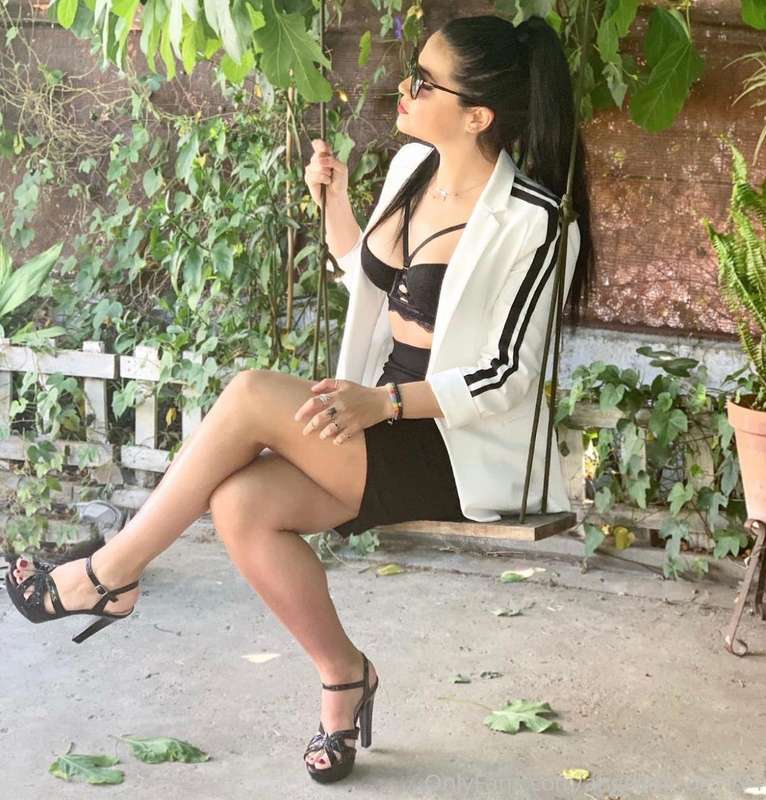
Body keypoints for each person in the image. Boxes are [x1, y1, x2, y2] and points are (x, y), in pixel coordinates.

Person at [5, 13, 594, 784]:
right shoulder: (412, 171)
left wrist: (380, 405)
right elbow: (375, 286)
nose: (405, 87)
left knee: (251, 392)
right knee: (241, 505)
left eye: (424, 82)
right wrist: (336, 202)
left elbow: (506, 375)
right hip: (376, 419)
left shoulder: (535, 221)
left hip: (451, 446)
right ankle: (345, 678)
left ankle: (109, 574)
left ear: (478, 115)